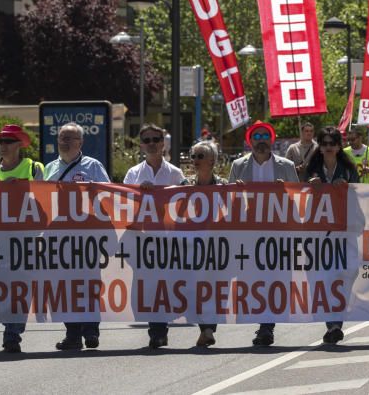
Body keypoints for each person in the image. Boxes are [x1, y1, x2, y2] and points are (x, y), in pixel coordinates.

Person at [228, 120, 298, 347]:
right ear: (250, 142)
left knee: (275, 278)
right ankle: (263, 323)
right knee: (254, 279)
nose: (261, 141)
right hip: (249, 233)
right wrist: (235, 191)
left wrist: (285, 191)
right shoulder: (238, 165)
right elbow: (227, 200)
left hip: (277, 232)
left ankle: (267, 326)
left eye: (264, 137)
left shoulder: (286, 166)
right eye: (256, 137)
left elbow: (298, 200)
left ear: (271, 140)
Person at [44, 122, 110, 351]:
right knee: (65, 287)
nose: (64, 141)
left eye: (70, 138)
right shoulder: (49, 169)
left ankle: (90, 331)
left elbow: (108, 197)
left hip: (88, 238)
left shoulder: (93, 167)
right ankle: (72, 334)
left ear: (80, 143)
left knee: (89, 284)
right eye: (62, 137)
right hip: (59, 239)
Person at [0, 124, 44, 353]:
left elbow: (43, 200)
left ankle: (13, 332)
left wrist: (18, 190)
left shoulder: (34, 168)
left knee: (20, 286)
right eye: (1, 141)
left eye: (8, 141)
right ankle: (10, 326)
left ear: (19, 145)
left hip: (24, 239)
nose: (3, 145)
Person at [126, 123, 187, 348]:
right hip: (142, 240)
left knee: (165, 285)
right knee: (147, 286)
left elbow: (186, 205)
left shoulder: (175, 173)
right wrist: (137, 194)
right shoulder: (133, 173)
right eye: (147, 140)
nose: (151, 144)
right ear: (141, 145)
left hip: (168, 240)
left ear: (163, 144)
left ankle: (160, 328)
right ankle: (156, 328)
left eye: (156, 139)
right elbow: (122, 205)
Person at [303, 126, 359, 345]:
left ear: (338, 146)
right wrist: (310, 187)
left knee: (343, 277)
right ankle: (332, 324)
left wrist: (347, 188)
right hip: (318, 234)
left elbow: (360, 194)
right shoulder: (312, 167)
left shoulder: (347, 168)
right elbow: (299, 193)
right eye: (323, 143)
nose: (327, 148)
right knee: (323, 279)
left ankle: (336, 322)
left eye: (331, 144)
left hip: (344, 232)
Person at [181, 141, 225, 347]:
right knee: (194, 289)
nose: (195, 161)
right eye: (193, 156)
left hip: (218, 248)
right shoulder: (184, 186)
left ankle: (208, 329)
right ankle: (205, 328)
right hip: (192, 249)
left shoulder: (225, 186)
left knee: (213, 289)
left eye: (200, 156)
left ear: (212, 160)